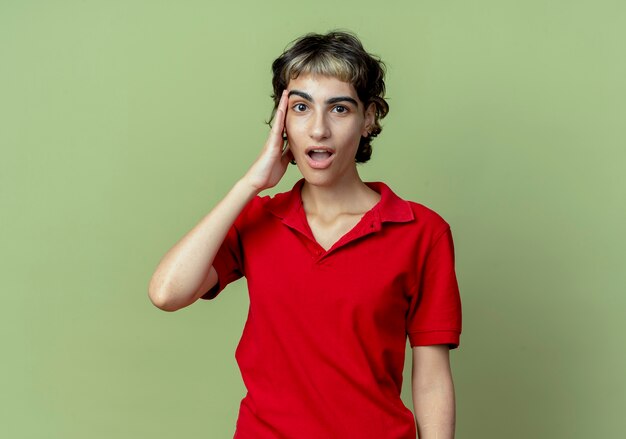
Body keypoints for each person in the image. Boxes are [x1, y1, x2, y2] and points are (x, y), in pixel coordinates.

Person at [148, 31, 462, 439]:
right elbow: (167, 293)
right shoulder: (258, 218)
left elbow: (432, 379)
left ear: (369, 117)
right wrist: (251, 183)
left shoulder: (422, 232)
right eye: (300, 107)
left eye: (340, 109)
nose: (318, 129)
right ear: (282, 121)